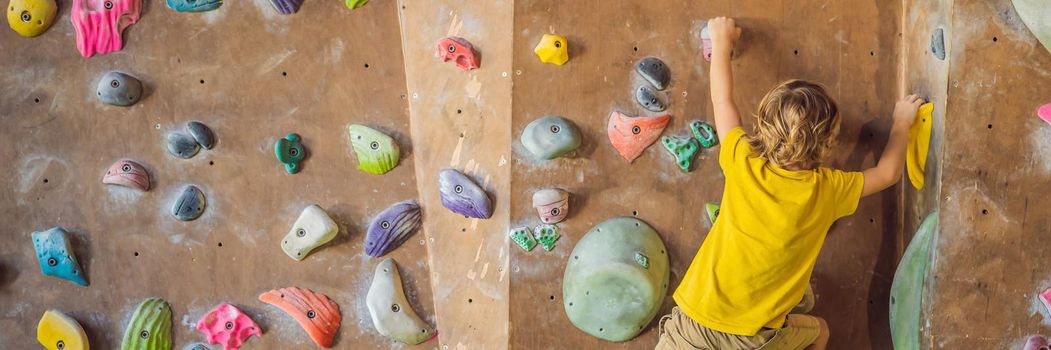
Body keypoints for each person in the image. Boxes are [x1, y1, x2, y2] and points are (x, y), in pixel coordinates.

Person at [655, 17, 923, 350]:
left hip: (692, 326)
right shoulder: (826, 190)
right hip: (749, 340)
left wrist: (721, 43)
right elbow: (887, 173)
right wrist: (902, 123)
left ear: (763, 128)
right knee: (819, 331)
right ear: (827, 145)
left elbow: (723, 102)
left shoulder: (743, 162)